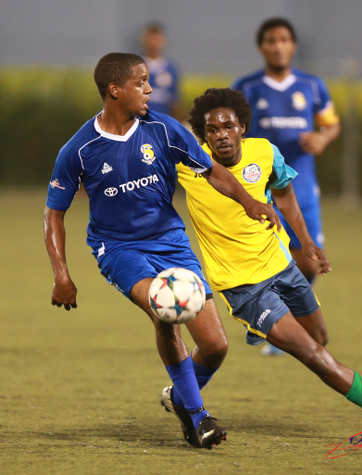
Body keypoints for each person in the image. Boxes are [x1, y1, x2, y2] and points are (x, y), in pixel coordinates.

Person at [43, 53, 280, 449]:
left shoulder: (164, 130)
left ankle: (182, 399)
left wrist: (249, 201)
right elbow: (53, 216)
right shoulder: (80, 149)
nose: (150, 89)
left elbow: (212, 170)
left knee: (216, 346)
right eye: (141, 82)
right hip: (118, 248)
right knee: (164, 310)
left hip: (171, 241)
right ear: (115, 90)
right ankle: (197, 418)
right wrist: (61, 274)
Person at [172, 87, 362, 430]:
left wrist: (306, 242)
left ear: (243, 127)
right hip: (244, 287)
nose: (222, 135)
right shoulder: (190, 167)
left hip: (283, 268)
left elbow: (285, 193)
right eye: (213, 130)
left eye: (228, 126)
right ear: (203, 136)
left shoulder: (265, 152)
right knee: (315, 355)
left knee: (319, 338)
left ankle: (187, 387)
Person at [233, 17, 340, 355]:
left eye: (283, 39)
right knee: (261, 258)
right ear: (261, 47)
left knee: (308, 262)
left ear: (292, 45)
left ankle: (283, 318)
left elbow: (331, 125)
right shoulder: (247, 87)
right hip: (257, 188)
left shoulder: (311, 86)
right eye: (270, 40)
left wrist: (322, 138)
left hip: (301, 185)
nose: (277, 46)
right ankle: (271, 324)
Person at [141, 22, 183, 119]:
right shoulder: (136, 66)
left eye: (157, 39)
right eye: (151, 39)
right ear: (144, 40)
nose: (154, 43)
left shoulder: (171, 68)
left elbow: (175, 101)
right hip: (140, 121)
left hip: (163, 120)